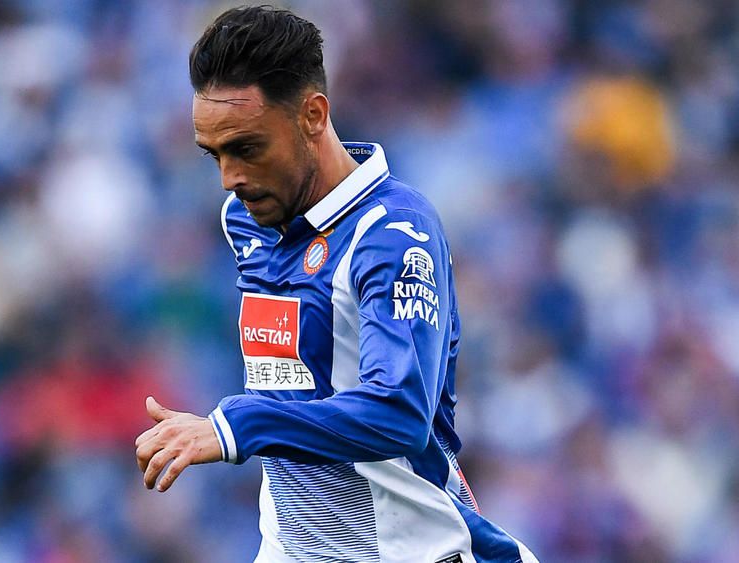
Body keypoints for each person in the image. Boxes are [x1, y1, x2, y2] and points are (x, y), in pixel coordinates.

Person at [134, 6, 538, 562]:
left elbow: (399, 413)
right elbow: (295, 381)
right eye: (215, 154)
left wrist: (237, 426)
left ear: (313, 115)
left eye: (247, 148)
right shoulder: (246, 221)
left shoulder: (391, 234)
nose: (230, 178)